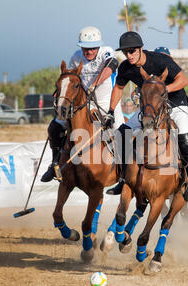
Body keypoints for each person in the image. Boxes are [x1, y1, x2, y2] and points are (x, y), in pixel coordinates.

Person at [104, 31, 188, 202]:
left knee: (187, 139)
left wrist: (164, 90)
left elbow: (183, 80)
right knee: (122, 134)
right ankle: (123, 179)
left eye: (132, 51)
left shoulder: (160, 60)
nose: (129, 55)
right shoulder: (125, 67)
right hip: (150, 108)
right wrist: (111, 111)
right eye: (125, 52)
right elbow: (119, 88)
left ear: (141, 49)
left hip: (176, 103)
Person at [41, 26, 125, 182]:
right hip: (84, 102)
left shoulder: (106, 51)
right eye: (86, 48)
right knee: (55, 126)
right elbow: (70, 77)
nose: (89, 52)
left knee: (120, 130)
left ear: (98, 46)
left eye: (93, 48)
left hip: (108, 101)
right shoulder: (76, 56)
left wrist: (95, 84)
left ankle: (123, 174)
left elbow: (111, 66)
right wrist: (60, 91)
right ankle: (54, 164)